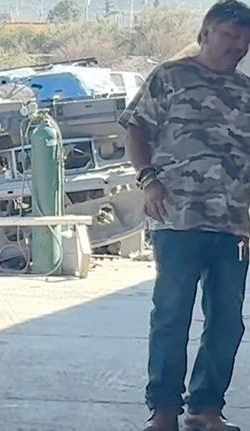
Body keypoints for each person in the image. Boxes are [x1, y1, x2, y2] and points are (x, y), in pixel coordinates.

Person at [123, 2, 250, 430]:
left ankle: (206, 410)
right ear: (205, 34)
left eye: (245, 39)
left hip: (234, 224)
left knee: (227, 321)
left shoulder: (247, 92)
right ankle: (163, 411)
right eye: (230, 34)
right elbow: (135, 127)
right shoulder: (170, 77)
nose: (239, 45)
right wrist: (148, 180)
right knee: (171, 315)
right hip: (177, 218)